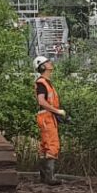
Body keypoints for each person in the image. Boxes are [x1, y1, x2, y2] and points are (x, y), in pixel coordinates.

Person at [34, 56, 68, 184]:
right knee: (52, 145)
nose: (50, 63)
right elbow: (41, 101)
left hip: (49, 116)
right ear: (43, 67)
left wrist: (57, 115)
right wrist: (57, 111)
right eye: (47, 62)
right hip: (46, 117)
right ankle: (50, 178)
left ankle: (44, 177)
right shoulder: (42, 83)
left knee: (45, 146)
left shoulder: (47, 82)